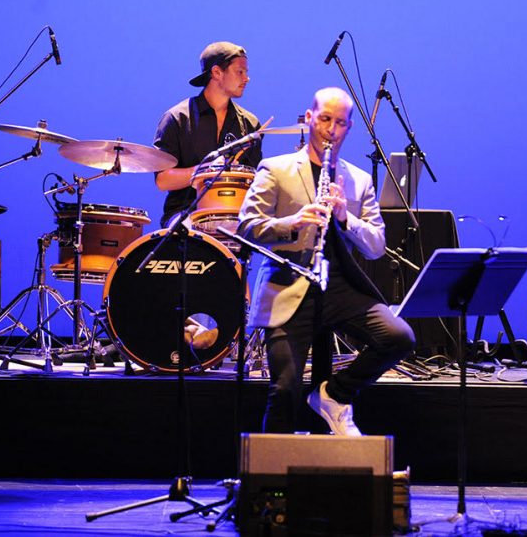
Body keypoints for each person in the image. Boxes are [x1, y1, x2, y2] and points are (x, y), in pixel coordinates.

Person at [237, 87, 415, 436]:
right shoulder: (276, 169)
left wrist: (346, 217)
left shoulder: (359, 180)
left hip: (339, 289)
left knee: (399, 337)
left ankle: (334, 394)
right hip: (289, 286)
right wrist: (293, 223)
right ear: (308, 118)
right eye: (324, 119)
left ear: (348, 128)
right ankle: (269, 482)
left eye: (340, 123)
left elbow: (377, 246)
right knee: (285, 389)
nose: (330, 130)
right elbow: (246, 226)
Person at [154, 41, 262, 228]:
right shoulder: (177, 118)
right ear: (217, 73)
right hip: (186, 213)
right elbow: (162, 180)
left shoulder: (250, 123)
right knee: (186, 229)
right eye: (240, 72)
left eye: (246, 72)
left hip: (234, 213)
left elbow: (255, 180)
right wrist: (204, 171)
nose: (247, 78)